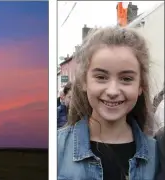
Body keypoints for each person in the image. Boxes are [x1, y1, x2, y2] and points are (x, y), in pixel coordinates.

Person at [57, 27, 158, 180]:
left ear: (140, 87)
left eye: (126, 79)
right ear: (84, 81)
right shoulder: (56, 149)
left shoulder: (157, 154)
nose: (112, 91)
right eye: (101, 77)